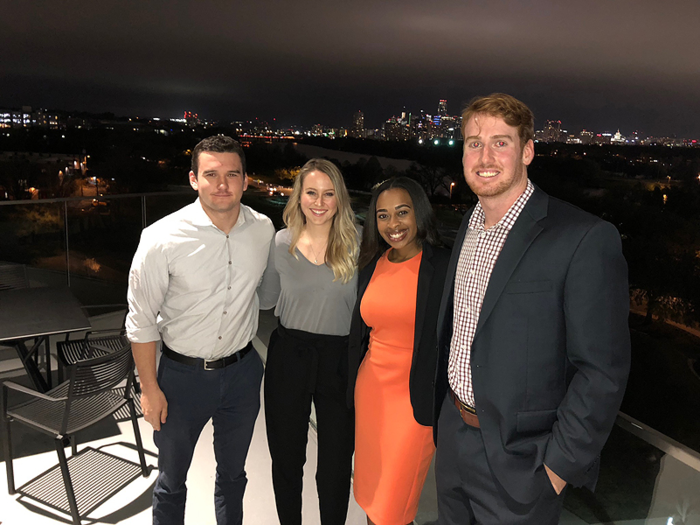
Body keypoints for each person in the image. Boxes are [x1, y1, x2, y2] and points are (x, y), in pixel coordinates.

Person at [434, 93, 631, 524]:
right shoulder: (469, 223)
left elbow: (603, 369)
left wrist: (557, 469)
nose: (485, 156)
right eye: (473, 143)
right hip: (453, 438)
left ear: (527, 151)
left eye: (501, 142)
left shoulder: (582, 238)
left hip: (522, 465)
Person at [126, 135, 274, 525]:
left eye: (232, 174)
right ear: (194, 179)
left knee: (233, 476)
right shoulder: (161, 239)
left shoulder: (263, 230)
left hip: (242, 374)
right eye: (211, 174)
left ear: (246, 180)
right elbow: (140, 321)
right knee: (171, 481)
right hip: (180, 378)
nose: (222, 184)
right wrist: (150, 388)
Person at [258, 158, 358, 525]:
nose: (319, 202)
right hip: (289, 354)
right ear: (298, 197)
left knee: (335, 461)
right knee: (286, 458)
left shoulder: (360, 242)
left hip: (339, 359)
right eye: (311, 193)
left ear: (340, 198)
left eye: (329, 194)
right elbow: (267, 301)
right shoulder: (281, 242)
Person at [348, 177, 450, 525]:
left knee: (393, 507)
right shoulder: (372, 262)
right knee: (371, 497)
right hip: (371, 392)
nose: (393, 224)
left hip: (413, 402)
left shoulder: (444, 268)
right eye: (383, 215)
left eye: (402, 212)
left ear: (419, 212)